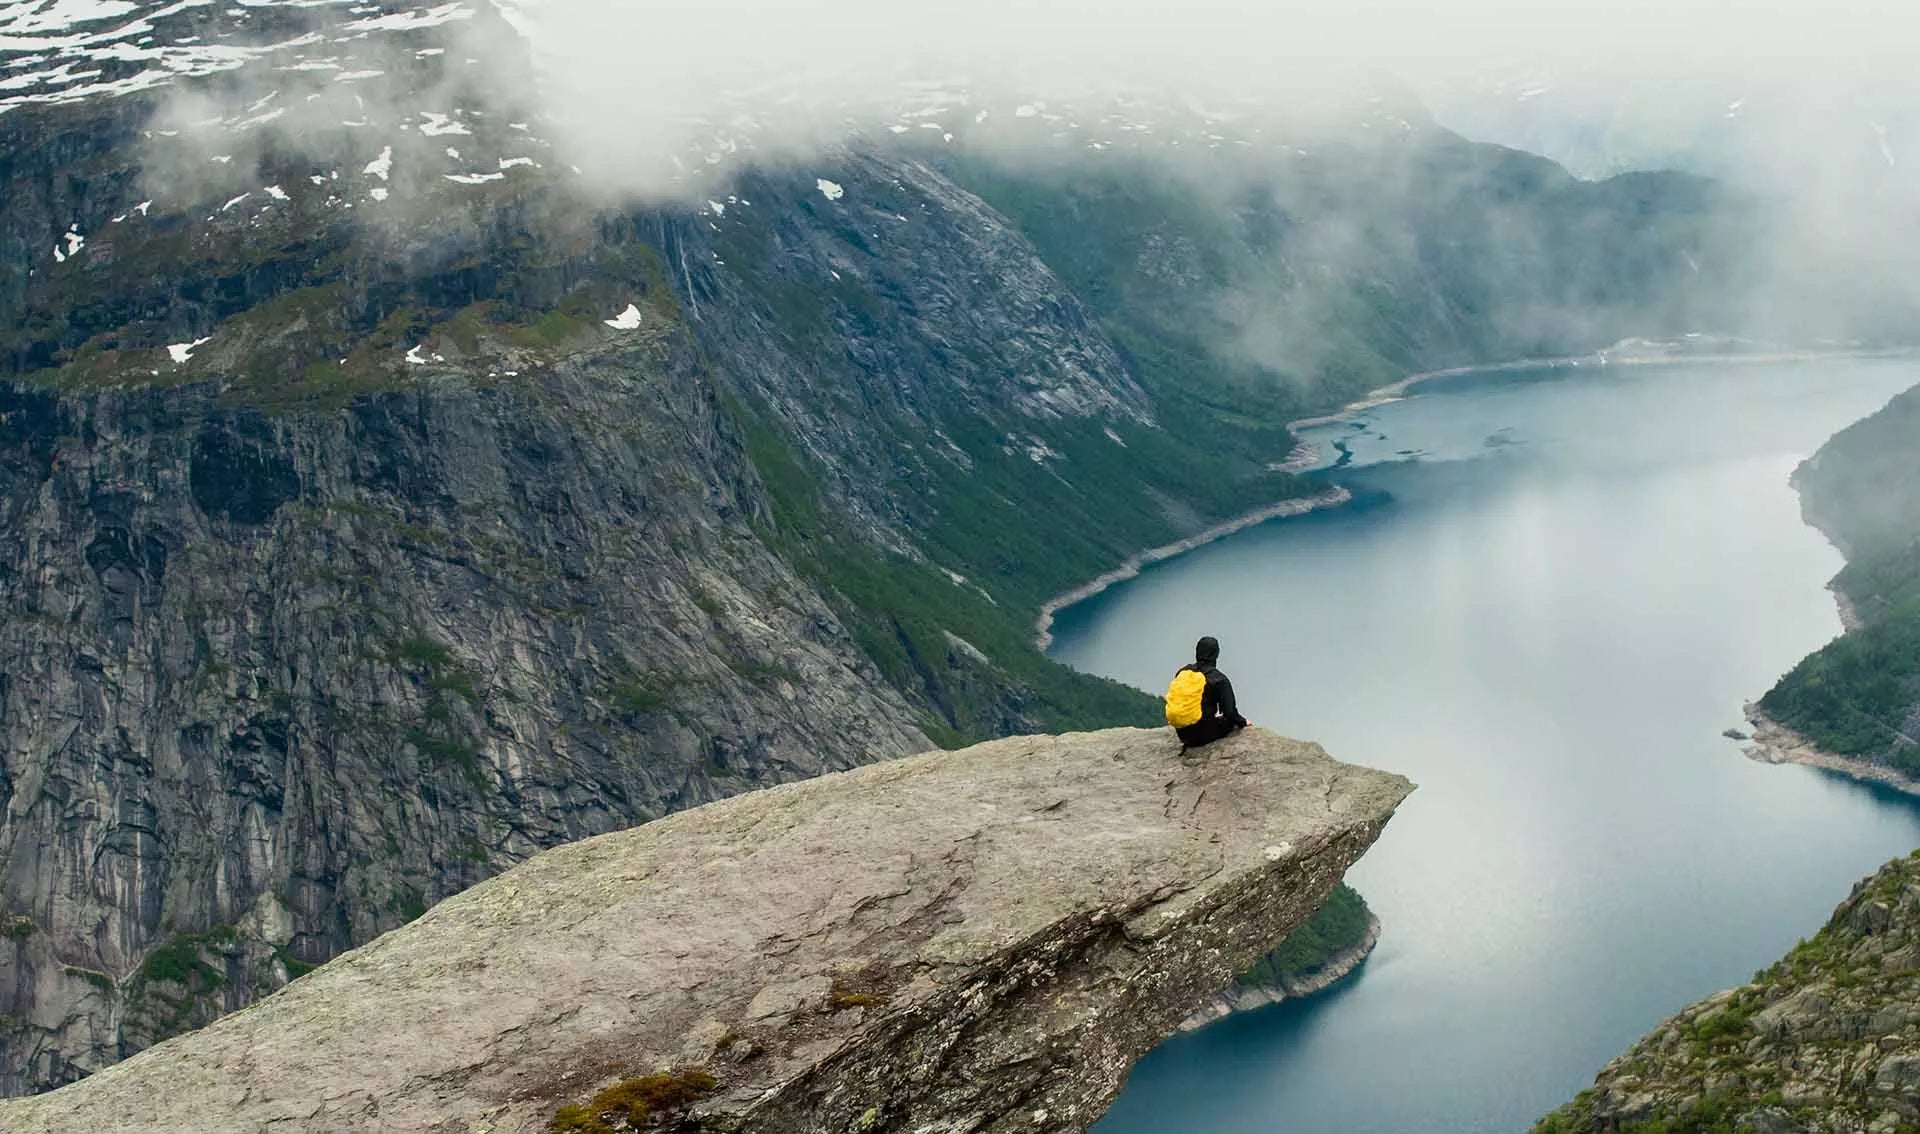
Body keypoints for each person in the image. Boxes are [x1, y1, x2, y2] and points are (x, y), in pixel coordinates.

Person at [1165, 635, 1250, 748]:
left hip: (1182, 733)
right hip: (1202, 735)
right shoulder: (1219, 679)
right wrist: (1243, 722)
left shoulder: (1183, 672)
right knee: (1229, 722)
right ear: (1216, 654)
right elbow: (1230, 713)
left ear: (1197, 652)